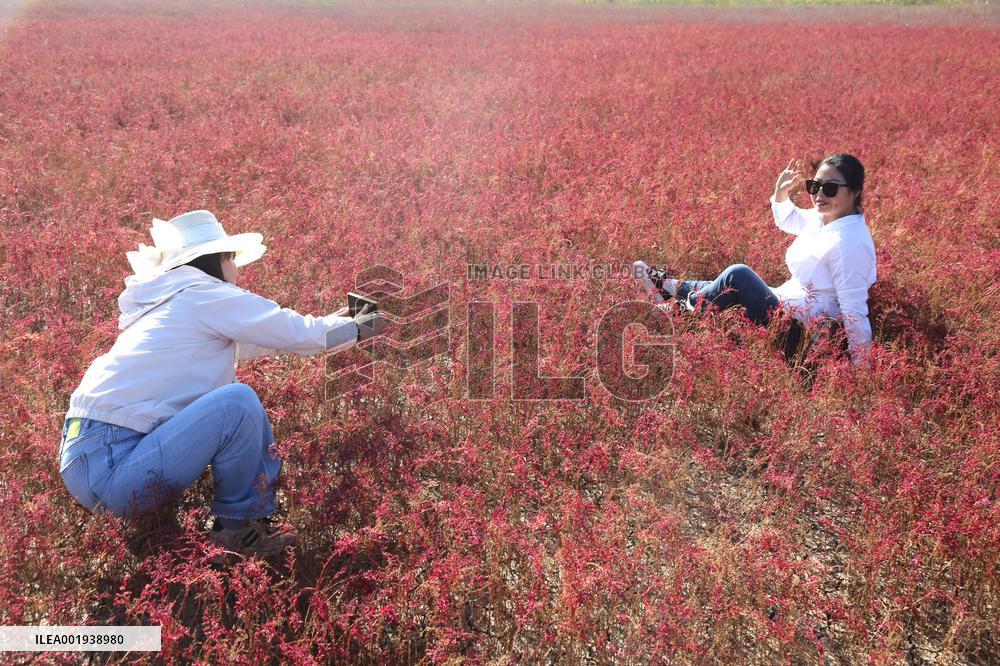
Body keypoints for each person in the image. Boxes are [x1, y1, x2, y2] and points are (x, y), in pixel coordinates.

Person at [58, 210, 388, 558]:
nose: (237, 270)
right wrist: (361, 329)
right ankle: (239, 531)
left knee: (233, 402)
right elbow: (294, 333)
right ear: (215, 260)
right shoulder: (205, 295)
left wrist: (341, 322)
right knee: (237, 403)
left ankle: (170, 529)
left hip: (85, 462)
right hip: (114, 468)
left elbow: (278, 338)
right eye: (231, 259)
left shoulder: (171, 303)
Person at [634, 154, 877, 367]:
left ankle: (677, 313)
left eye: (830, 188)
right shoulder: (826, 218)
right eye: (814, 186)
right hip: (786, 304)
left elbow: (854, 311)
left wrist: (860, 372)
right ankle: (666, 286)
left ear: (855, 191)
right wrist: (781, 193)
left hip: (800, 335)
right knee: (723, 286)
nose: (820, 194)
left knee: (738, 276)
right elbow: (789, 220)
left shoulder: (850, 244)